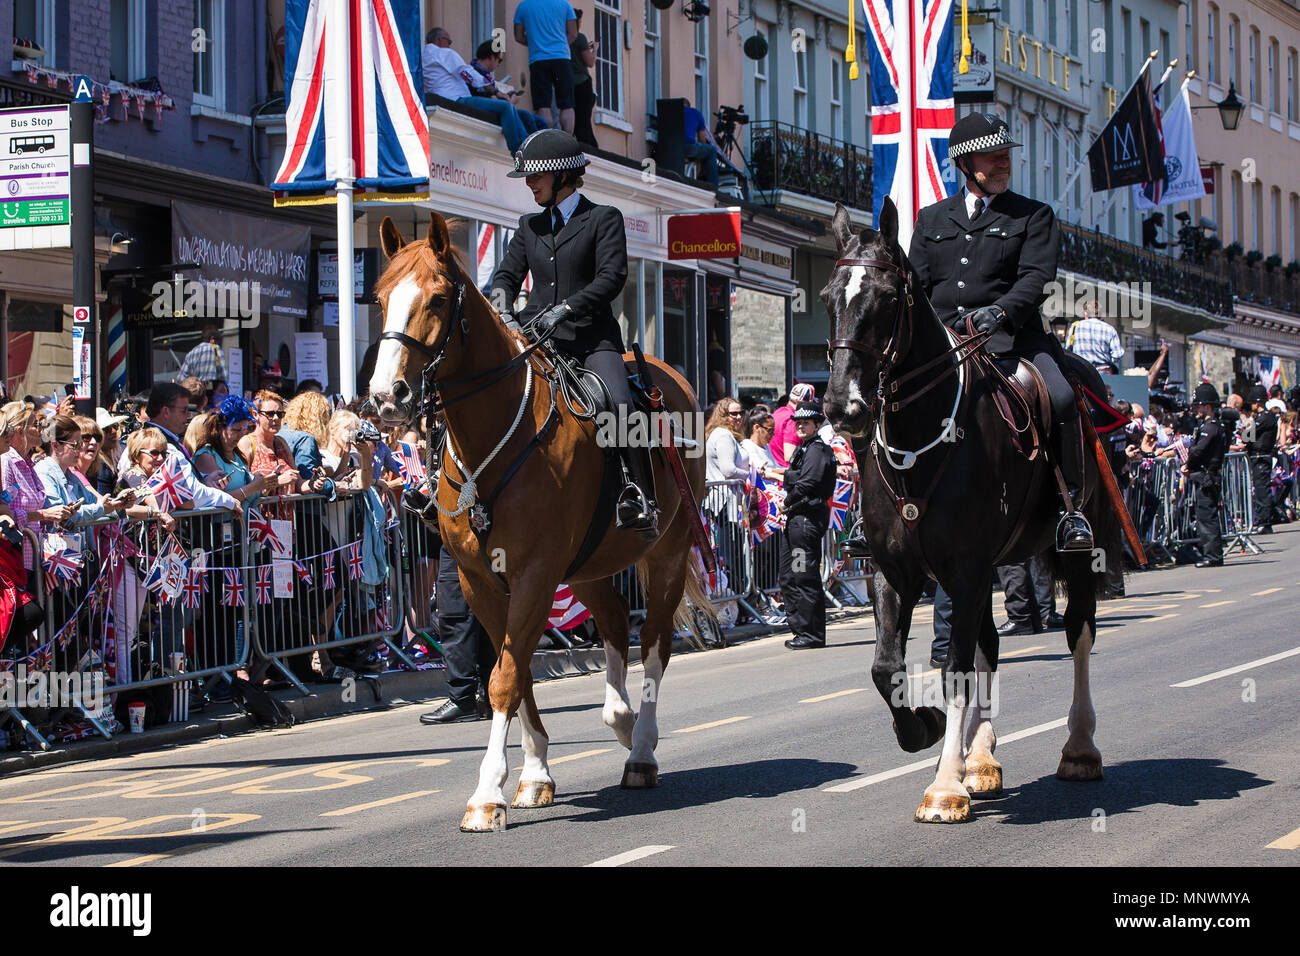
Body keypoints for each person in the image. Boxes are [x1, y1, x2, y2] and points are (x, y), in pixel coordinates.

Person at [910, 112, 1092, 552]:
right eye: (993, 157)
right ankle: (873, 513)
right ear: (967, 164)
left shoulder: (1033, 215)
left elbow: (1036, 279)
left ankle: (1071, 510)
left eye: (1006, 155)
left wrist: (1001, 312)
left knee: (1062, 398)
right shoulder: (931, 218)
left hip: (1011, 342)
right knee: (881, 402)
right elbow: (916, 285)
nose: (1004, 163)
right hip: (943, 348)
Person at [490, 129, 656, 535]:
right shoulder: (528, 226)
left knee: (619, 406)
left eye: (535, 177)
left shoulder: (603, 219)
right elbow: (506, 277)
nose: (529, 185)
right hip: (535, 339)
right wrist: (499, 306)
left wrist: (566, 309)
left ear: (563, 177)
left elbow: (610, 278)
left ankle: (637, 495)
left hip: (589, 339)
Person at [778, 402, 837, 650]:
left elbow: (807, 483)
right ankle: (800, 629)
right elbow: (797, 479)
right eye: (798, 422)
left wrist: (785, 502)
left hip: (805, 519)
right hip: (796, 519)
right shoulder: (805, 449)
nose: (800, 426)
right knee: (788, 576)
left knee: (803, 575)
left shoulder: (817, 450)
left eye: (806, 422)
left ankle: (811, 634)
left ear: (816, 424)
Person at [423, 27, 534, 154]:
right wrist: (495, 91)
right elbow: (468, 73)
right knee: (506, 107)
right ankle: (521, 150)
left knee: (511, 110)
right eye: (449, 42)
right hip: (458, 99)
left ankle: (526, 146)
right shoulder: (444, 53)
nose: (449, 46)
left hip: (441, 100)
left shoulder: (422, 57)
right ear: (441, 40)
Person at [419, 541, 494, 723]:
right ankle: (490, 696)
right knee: (486, 619)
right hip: (486, 540)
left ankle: (463, 699)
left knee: (457, 617)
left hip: (462, 537)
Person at [513, 0, 578, 133]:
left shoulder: (523, 6)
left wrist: (535, 43)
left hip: (538, 60)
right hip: (562, 59)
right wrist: (561, 45)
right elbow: (573, 34)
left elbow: (518, 36)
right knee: (567, 105)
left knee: (543, 105)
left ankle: (546, 138)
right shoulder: (564, 4)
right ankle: (567, 140)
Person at [1184, 382, 1227, 567]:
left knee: (1207, 517)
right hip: (1206, 476)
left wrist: (1188, 464)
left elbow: (1197, 451)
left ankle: (1213, 556)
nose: (1196, 409)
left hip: (1207, 477)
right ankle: (1212, 554)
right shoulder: (1210, 426)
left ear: (1208, 406)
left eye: (1198, 405)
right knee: (1205, 516)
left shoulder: (1210, 427)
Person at [467, 40, 549, 135]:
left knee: (540, 121)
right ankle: (532, 147)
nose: (499, 64)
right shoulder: (474, 73)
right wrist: (511, 102)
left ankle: (542, 146)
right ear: (491, 57)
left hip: (495, 109)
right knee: (526, 116)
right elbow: (486, 97)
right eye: (499, 60)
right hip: (486, 112)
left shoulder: (484, 74)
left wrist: (506, 96)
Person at [1243, 384, 1277, 533]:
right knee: (1260, 488)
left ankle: (1265, 521)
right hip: (1259, 458)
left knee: (1262, 489)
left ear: (1257, 402)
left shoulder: (1264, 418)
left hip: (1261, 458)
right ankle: (1264, 518)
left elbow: (1247, 436)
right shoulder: (1265, 418)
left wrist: (1249, 424)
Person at [1065, 300, 1124, 374]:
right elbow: (1117, 354)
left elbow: (1068, 351)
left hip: (1080, 372)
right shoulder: (1109, 329)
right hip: (1103, 372)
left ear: (1086, 313)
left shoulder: (1075, 326)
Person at [569, 9, 598, 147]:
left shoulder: (562, 38)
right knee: (584, 120)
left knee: (575, 119)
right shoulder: (579, 38)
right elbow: (590, 62)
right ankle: (590, 147)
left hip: (568, 84)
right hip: (582, 83)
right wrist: (595, 50)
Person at [769, 383, 815, 468]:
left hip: (774, 469)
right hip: (785, 474)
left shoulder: (778, 412)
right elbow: (789, 456)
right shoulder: (794, 420)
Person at [683, 101, 727, 190]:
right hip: (688, 148)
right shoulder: (695, 113)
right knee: (711, 151)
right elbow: (702, 139)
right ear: (688, 105)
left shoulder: (670, 112)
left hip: (671, 149)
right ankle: (713, 186)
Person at [741, 408, 785, 482]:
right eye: (770, 430)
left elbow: (776, 467)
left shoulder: (766, 447)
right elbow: (760, 470)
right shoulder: (747, 445)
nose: (772, 435)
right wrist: (785, 472)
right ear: (757, 427)